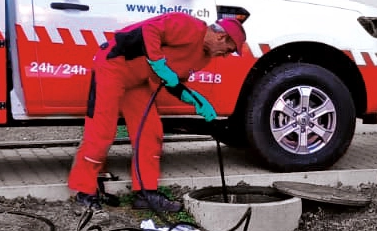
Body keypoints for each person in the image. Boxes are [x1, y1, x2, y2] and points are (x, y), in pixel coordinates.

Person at [67, 12, 247, 215]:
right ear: (221, 37)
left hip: (138, 81)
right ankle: (84, 192)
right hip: (113, 66)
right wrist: (158, 62)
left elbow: (170, 81)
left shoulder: (203, 58)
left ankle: (145, 193)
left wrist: (196, 100)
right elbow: (149, 31)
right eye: (228, 51)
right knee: (102, 132)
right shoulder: (189, 26)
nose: (225, 55)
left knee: (150, 132)